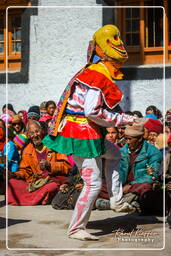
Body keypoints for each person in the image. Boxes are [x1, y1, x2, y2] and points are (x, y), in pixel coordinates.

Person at [43, 24, 138, 241]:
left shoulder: (94, 71)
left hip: (83, 131)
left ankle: (115, 199)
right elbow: (92, 111)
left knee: (114, 154)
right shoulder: (98, 75)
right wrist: (124, 119)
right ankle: (76, 228)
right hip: (81, 133)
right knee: (93, 182)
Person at [8, 120, 71, 205]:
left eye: (37, 131)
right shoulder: (27, 150)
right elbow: (25, 171)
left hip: (52, 180)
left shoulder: (54, 145)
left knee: (51, 187)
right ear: (28, 135)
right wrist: (15, 175)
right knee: (11, 182)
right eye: (31, 133)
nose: (35, 135)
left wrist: (50, 165)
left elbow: (67, 166)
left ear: (42, 131)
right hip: (37, 183)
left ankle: (33, 198)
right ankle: (39, 198)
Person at [120, 124, 162, 214]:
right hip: (122, 187)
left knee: (146, 187)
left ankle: (121, 201)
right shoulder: (121, 152)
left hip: (136, 186)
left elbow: (152, 175)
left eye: (129, 139)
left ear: (139, 139)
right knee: (99, 186)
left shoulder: (153, 152)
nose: (127, 142)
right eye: (125, 139)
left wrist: (131, 184)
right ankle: (129, 201)